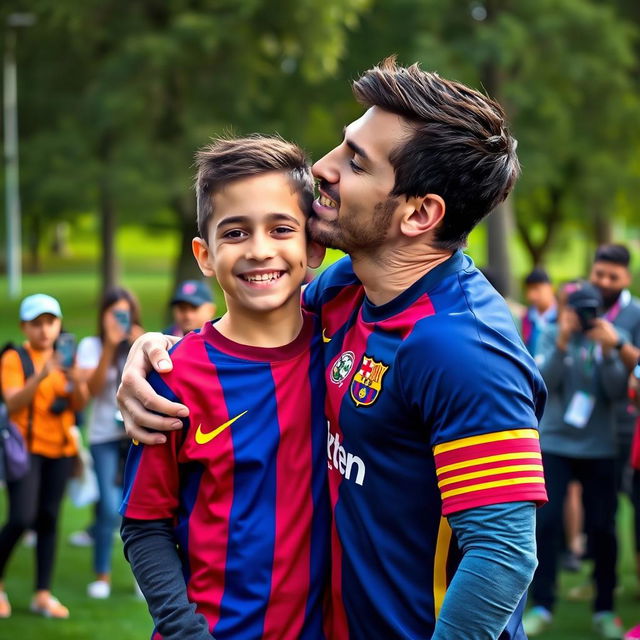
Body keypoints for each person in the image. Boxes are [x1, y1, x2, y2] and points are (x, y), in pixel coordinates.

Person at [117, 58, 549, 639]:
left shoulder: (463, 349)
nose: (322, 168)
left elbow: (502, 556)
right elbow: (252, 326)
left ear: (420, 213)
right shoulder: (346, 290)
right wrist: (154, 352)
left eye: (355, 162)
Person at [119, 135, 329, 639]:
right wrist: (184, 630)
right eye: (234, 233)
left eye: (281, 229)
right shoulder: (174, 377)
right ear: (204, 254)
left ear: (314, 245)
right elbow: (145, 524)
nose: (260, 250)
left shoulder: (344, 347)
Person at [524, 281, 630, 639]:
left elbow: (618, 393)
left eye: (590, 311)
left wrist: (611, 351)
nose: (585, 318)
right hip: (555, 444)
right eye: (578, 310)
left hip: (600, 447)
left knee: (603, 528)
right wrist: (562, 343)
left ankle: (604, 608)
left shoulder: (612, 337)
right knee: (547, 523)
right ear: (566, 309)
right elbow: (542, 384)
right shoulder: (551, 333)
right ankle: (542, 604)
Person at [0, 294, 89, 619]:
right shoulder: (14, 358)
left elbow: (79, 406)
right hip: (25, 451)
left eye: (50, 322)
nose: (45, 330)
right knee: (21, 518)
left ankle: (42, 594)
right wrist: (42, 375)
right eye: (37, 323)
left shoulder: (68, 359)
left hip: (60, 450)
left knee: (49, 521)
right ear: (25, 326)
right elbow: (12, 404)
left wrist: (78, 383)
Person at [74, 287, 144, 599]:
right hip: (103, 437)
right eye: (112, 313)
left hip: (135, 437)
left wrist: (135, 345)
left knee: (139, 508)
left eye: (123, 313)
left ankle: (142, 579)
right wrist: (110, 348)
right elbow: (90, 389)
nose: (118, 320)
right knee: (106, 507)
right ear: (102, 316)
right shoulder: (91, 346)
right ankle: (101, 575)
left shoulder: (142, 341)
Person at [521, 267, 557, 358]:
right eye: (529, 290)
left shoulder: (561, 316)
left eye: (536, 289)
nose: (531, 296)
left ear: (550, 288)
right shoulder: (527, 318)